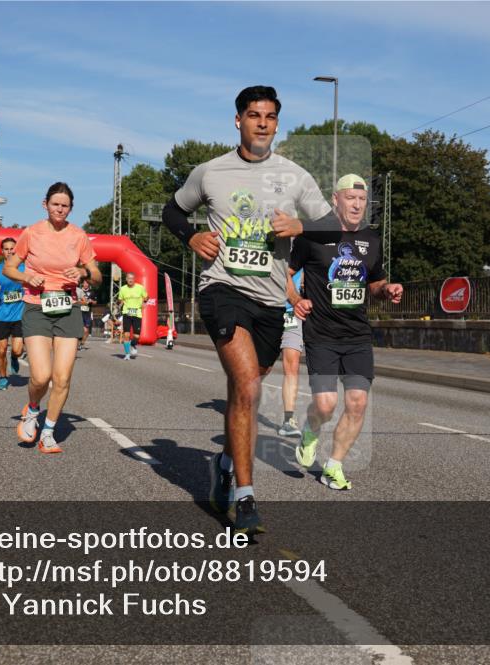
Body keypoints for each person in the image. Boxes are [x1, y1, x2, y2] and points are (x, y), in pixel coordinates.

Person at [162, 85, 343, 533]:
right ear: (238, 121)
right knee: (245, 384)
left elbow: (334, 226)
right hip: (222, 287)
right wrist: (190, 236)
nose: (261, 122)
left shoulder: (295, 176)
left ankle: (225, 462)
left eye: (269, 116)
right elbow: (172, 210)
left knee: (248, 389)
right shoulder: (210, 172)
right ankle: (245, 497)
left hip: (269, 299)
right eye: (252, 115)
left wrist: (301, 225)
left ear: (276, 124)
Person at [290, 174, 403, 490]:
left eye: (362, 200)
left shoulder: (372, 239)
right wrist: (296, 300)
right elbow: (283, 273)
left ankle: (333, 466)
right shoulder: (312, 236)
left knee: (357, 403)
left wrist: (387, 289)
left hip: (357, 336)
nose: (356, 205)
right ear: (335, 199)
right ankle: (311, 429)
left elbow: (375, 282)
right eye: (350, 198)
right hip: (321, 334)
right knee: (325, 405)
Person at [4, 182, 101, 454]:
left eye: (65, 205)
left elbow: (97, 275)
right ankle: (32, 410)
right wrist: (26, 276)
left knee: (62, 378)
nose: (60, 209)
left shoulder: (78, 236)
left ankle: (48, 431)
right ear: (45, 204)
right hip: (36, 306)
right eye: (55, 204)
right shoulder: (31, 233)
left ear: (71, 208)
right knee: (41, 376)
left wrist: (82, 273)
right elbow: (10, 267)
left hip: (67, 306)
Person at [0, 237, 25, 390]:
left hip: (20, 314)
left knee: (17, 349)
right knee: (1, 350)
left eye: (12, 249)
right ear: (2, 252)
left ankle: (15, 357)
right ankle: (3, 377)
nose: (9, 251)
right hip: (1, 315)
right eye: (6, 249)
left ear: (16, 250)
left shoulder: (25, 268)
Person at [277, 268, 304, 437]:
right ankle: (244, 406)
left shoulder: (304, 244)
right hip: (265, 308)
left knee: (292, 363)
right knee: (257, 365)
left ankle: (288, 420)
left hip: (290, 312)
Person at [116, 272, 146, 360]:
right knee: (126, 335)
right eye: (129, 278)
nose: (130, 280)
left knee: (136, 336)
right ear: (126, 279)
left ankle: (133, 344)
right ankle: (127, 354)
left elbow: (146, 297)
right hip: (127, 313)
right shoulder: (122, 289)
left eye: (132, 278)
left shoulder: (140, 288)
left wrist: (144, 302)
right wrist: (119, 303)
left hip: (137, 314)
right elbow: (120, 299)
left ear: (134, 279)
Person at [76, 278, 96, 350]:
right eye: (84, 283)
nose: (86, 284)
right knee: (78, 328)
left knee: (86, 330)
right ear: (82, 284)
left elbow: (95, 302)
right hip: (78, 312)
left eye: (87, 283)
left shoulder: (92, 292)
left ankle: (82, 343)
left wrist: (91, 301)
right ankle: (77, 343)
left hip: (87, 312)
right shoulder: (77, 290)